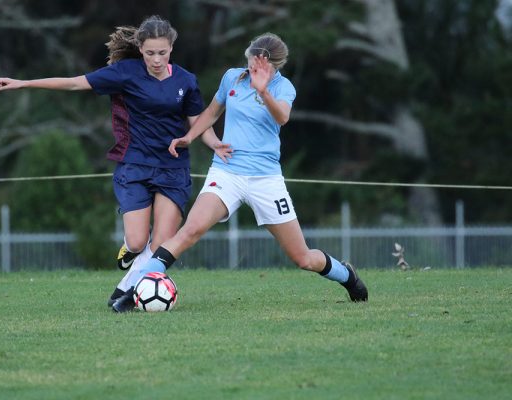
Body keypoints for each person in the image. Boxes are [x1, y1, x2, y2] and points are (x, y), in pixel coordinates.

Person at [111, 32, 368, 312]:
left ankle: (346, 275)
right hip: (227, 173)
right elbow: (212, 112)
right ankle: (134, 290)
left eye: (257, 66)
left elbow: (282, 117)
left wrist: (263, 91)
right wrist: (190, 137)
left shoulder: (283, 88)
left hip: (265, 179)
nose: (250, 69)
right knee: (190, 231)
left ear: (273, 66)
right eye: (249, 62)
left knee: (303, 258)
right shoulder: (232, 77)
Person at [0, 16, 231, 305]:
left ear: (171, 47)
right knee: (137, 241)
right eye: (150, 53)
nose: (157, 59)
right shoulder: (125, 73)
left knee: (160, 245)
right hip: (135, 166)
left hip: (173, 168)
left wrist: (215, 144)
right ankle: (129, 254)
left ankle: (125, 294)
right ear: (140, 49)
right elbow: (74, 84)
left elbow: (198, 122)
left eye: (162, 52)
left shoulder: (186, 81)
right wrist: (24, 83)